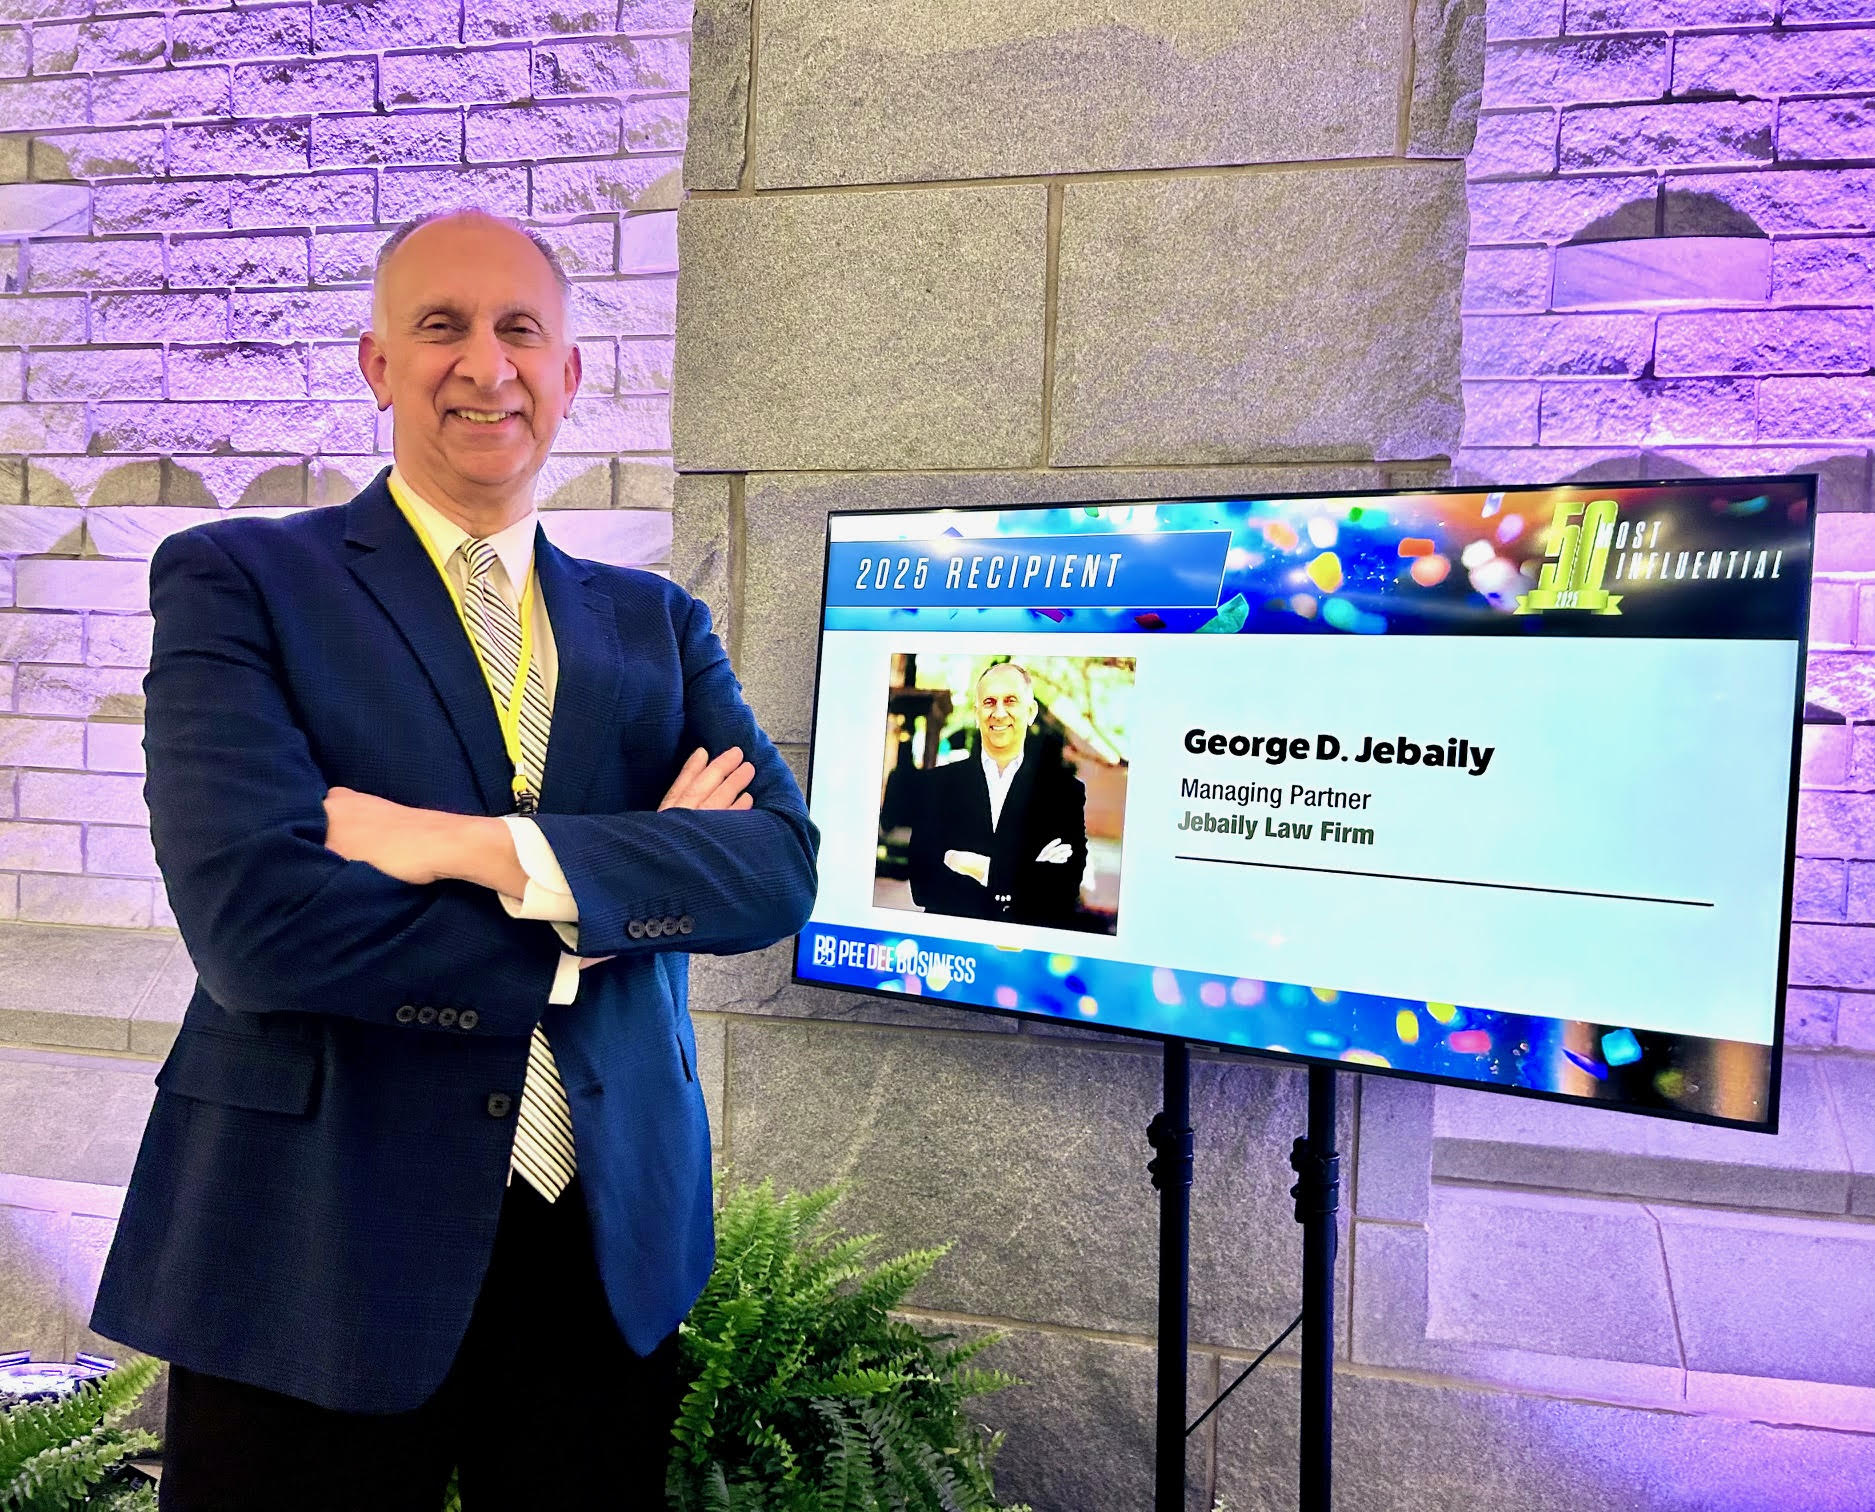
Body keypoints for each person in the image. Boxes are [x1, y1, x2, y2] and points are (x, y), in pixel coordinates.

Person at [88, 209, 819, 1509]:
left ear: (570, 371)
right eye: (443, 327)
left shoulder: (657, 627)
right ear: (378, 363)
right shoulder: (240, 581)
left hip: (599, 1249)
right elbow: (256, 925)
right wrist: (615, 894)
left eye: (518, 329)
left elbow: (773, 873)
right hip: (312, 1244)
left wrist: (456, 847)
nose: (486, 365)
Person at [905, 661, 1087, 929]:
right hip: (951, 946)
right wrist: (1030, 873)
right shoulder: (937, 785)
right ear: (977, 712)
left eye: (1010, 700)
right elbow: (923, 887)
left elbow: (1061, 890)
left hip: (1023, 953)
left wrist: (981, 868)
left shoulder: (1064, 793)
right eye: (989, 702)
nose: (999, 713)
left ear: (1031, 711)